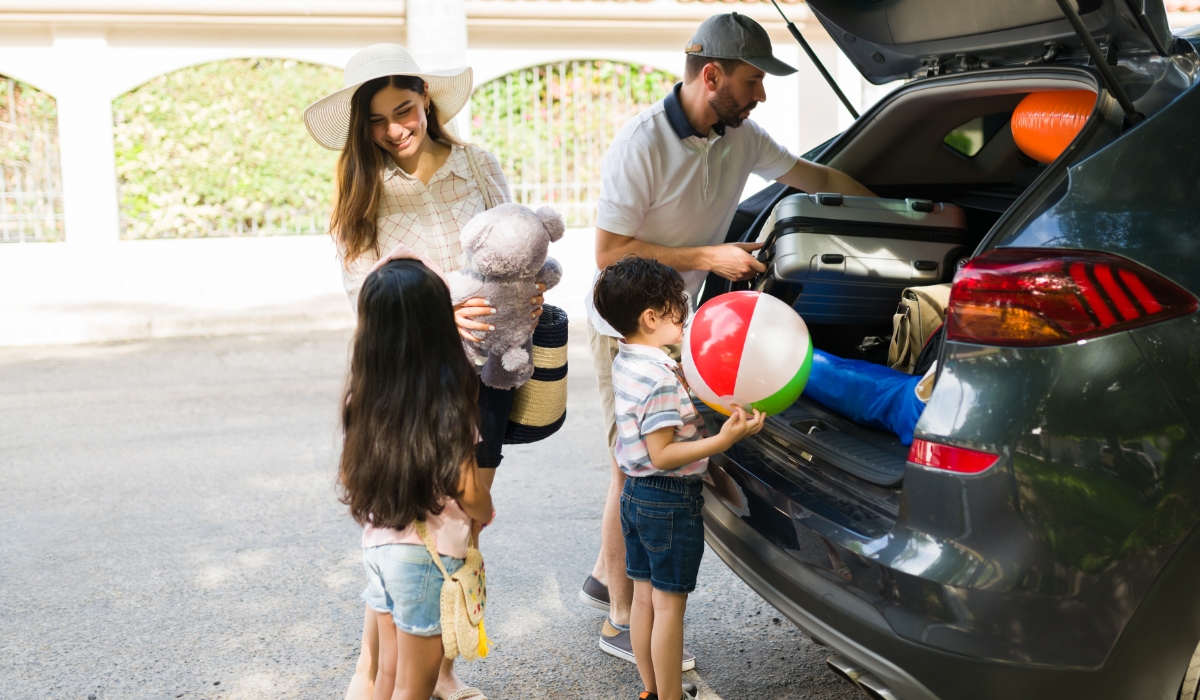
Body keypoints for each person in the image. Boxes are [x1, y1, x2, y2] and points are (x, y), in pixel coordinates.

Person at [578, 13, 875, 667]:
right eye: (752, 80)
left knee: (640, 463)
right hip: (629, 328)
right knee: (636, 469)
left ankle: (608, 575)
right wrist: (711, 257)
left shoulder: (739, 135)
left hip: (676, 324)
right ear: (711, 75)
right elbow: (608, 253)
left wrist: (889, 209)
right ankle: (622, 621)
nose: (761, 94)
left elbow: (815, 178)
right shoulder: (642, 144)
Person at [303, 44, 541, 699]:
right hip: (411, 376)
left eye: (402, 110)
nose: (394, 129)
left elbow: (516, 242)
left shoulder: (477, 166)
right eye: (376, 121)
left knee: (460, 518)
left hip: (486, 369)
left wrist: (528, 293)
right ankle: (376, 672)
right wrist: (438, 316)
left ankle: (438, 671)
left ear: (426, 99)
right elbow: (362, 285)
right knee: (403, 525)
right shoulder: (363, 185)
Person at [593, 257, 764, 700]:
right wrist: (721, 441)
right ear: (651, 318)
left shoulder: (629, 360)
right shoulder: (660, 378)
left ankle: (653, 690)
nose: (684, 318)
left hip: (635, 497)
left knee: (646, 601)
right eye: (678, 310)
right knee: (670, 608)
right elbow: (664, 454)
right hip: (667, 500)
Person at [339, 259, 494, 700]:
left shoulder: (362, 395)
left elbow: (354, 470)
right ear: (437, 324)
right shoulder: (448, 401)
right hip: (428, 559)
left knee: (386, 674)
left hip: (379, 549)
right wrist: (485, 511)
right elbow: (467, 488)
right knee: (415, 686)